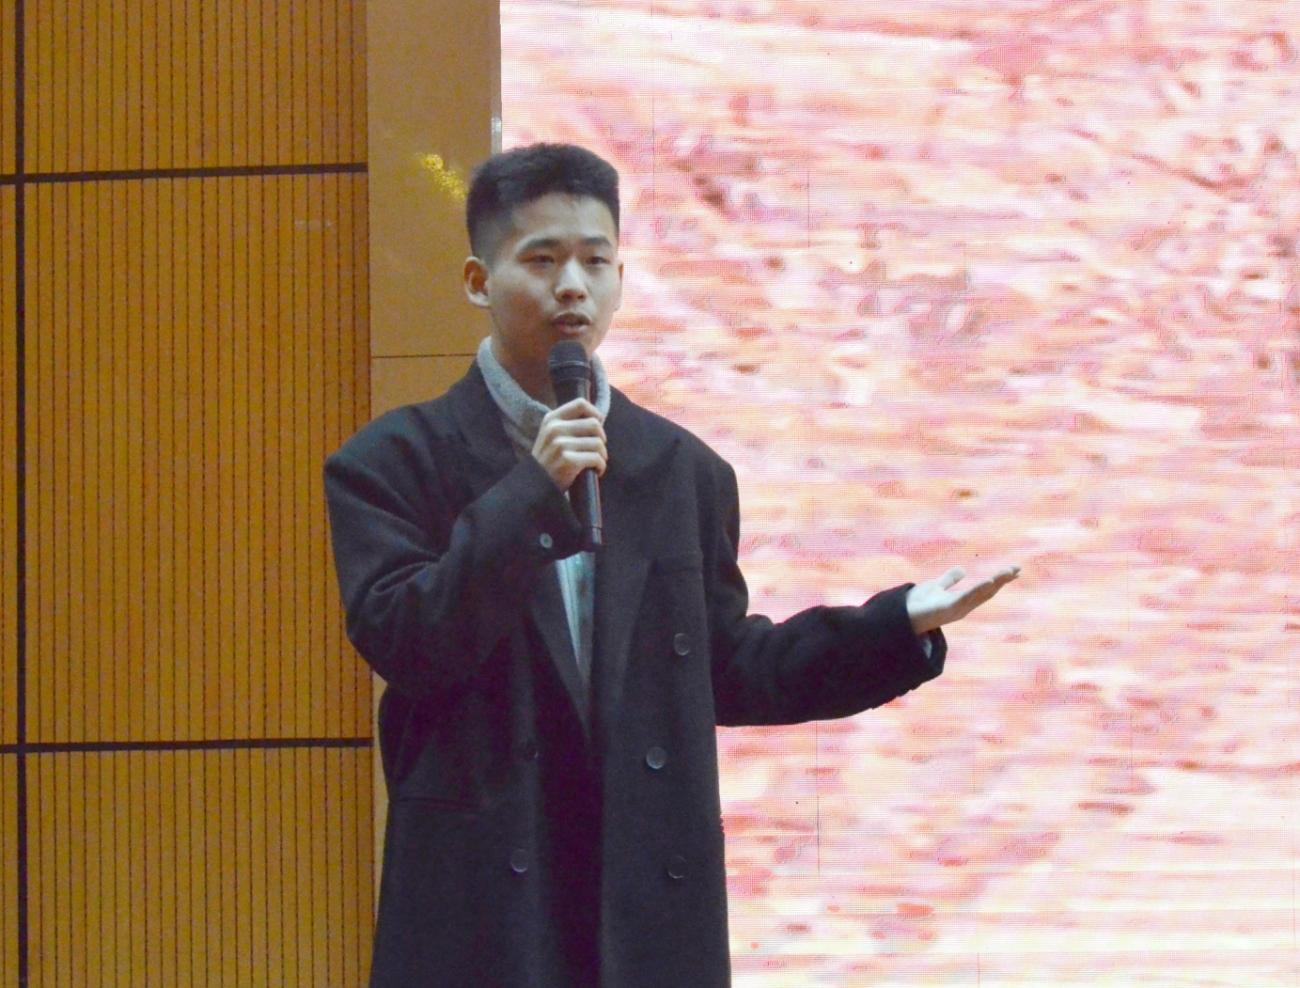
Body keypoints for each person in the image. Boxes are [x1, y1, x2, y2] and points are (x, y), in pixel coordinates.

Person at [324, 143, 1019, 988]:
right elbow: (407, 641)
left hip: (643, 898)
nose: (572, 286)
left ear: (621, 278)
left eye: (595, 260)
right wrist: (532, 494)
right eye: (540, 260)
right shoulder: (391, 461)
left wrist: (896, 624)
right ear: (478, 281)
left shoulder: (683, 471)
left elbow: (729, 669)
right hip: (482, 904)